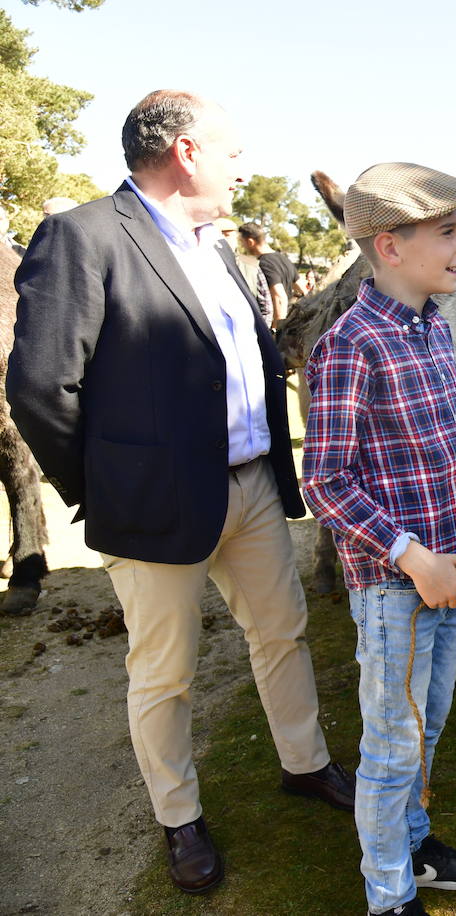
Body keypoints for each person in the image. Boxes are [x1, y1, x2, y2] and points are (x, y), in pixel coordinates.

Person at [8, 89, 353, 895]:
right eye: (233, 152)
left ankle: (306, 765)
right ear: (188, 152)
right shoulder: (82, 235)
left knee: (283, 634)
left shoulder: (216, 245)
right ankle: (178, 817)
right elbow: (39, 387)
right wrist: (103, 485)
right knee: (163, 672)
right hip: (152, 503)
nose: (244, 167)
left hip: (255, 488)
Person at [302, 161, 456, 915]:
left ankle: (416, 845)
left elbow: (446, 442)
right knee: (392, 751)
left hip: (452, 571)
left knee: (426, 731)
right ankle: (388, 896)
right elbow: (325, 482)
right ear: (389, 247)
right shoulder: (349, 346)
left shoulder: (432, 327)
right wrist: (411, 554)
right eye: (451, 231)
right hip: (400, 588)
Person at [238, 221, 299, 327]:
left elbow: (279, 297)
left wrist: (276, 330)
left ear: (250, 242)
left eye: (242, 242)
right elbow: (302, 289)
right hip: (288, 321)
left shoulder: (264, 263)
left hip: (276, 323)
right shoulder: (283, 259)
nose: (242, 246)